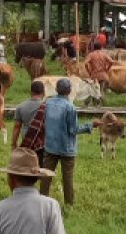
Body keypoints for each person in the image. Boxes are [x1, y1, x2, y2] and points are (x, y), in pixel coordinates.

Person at [40, 78, 95, 206]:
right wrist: (90, 125)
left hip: (50, 146)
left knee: (46, 176)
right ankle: (69, 204)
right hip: (66, 148)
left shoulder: (48, 103)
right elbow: (73, 129)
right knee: (67, 178)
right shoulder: (70, 107)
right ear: (69, 91)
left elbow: (43, 123)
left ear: (56, 89)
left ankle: (41, 201)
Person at [11, 81, 47, 152]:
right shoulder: (47, 106)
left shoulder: (21, 106)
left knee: (28, 162)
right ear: (43, 92)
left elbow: (17, 127)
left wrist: (14, 144)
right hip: (42, 142)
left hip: (27, 140)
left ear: (31, 92)